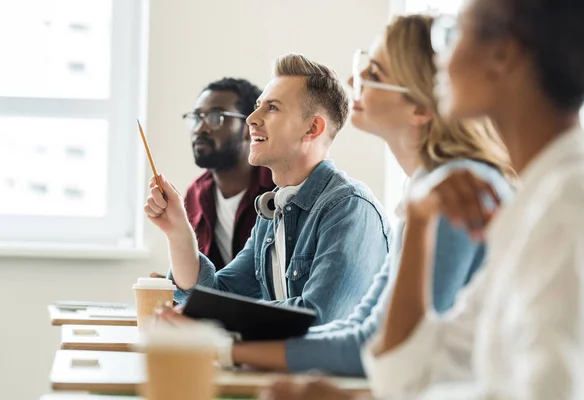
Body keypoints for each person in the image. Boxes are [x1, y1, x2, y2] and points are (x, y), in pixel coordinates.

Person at [264, 0, 584, 398]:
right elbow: (410, 372)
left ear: (503, 55)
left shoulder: (568, 206)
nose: (440, 58)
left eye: (452, 34)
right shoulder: (532, 200)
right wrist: (420, 220)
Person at [191, 14, 513, 375]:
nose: (351, 81)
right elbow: (361, 329)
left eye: (373, 74)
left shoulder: (455, 193)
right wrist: (227, 347)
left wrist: (228, 351)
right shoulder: (427, 191)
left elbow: (376, 345)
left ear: (421, 108)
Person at [146, 53, 391, 326]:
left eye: (272, 108)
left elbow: (317, 318)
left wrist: (221, 315)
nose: (251, 118)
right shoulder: (273, 213)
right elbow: (214, 295)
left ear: (312, 128)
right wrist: (178, 231)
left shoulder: (349, 209)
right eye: (257, 106)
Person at [181, 78, 274, 270]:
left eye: (216, 117)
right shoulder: (195, 194)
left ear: (250, 127)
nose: (200, 129)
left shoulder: (278, 189)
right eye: (197, 118)